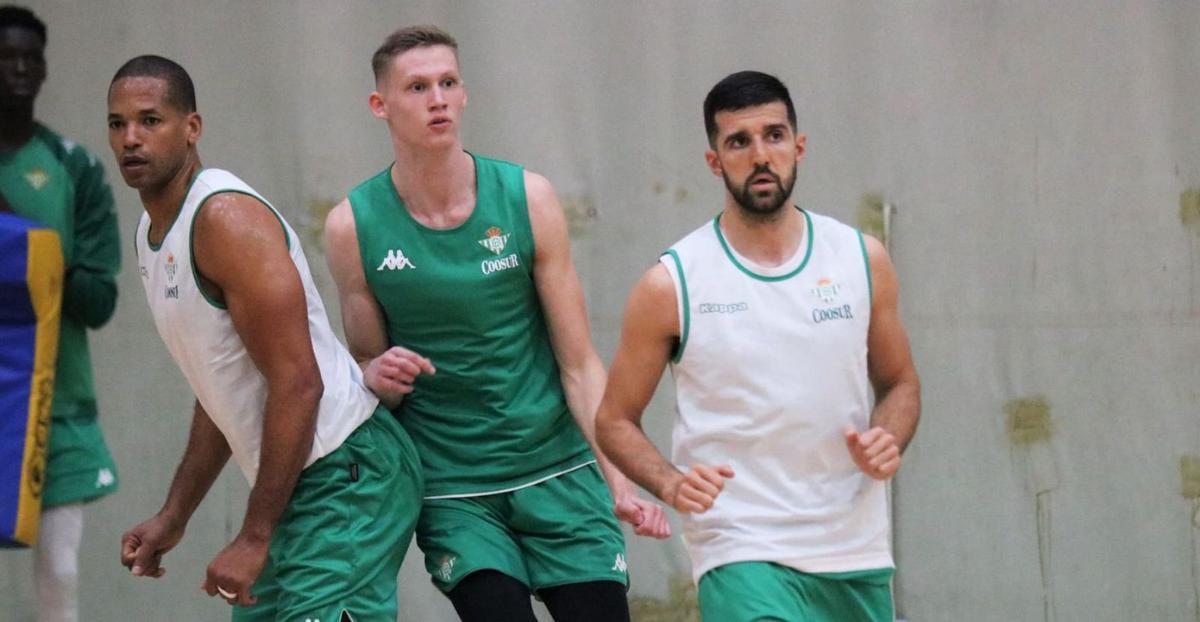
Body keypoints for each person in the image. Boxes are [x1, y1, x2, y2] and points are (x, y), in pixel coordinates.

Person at [323, 25, 669, 622]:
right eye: (417, 87)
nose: (437, 99)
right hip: (455, 488)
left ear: (464, 94)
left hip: (559, 468)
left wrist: (619, 479)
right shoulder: (352, 227)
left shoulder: (528, 199)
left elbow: (579, 363)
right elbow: (369, 369)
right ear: (381, 105)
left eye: (448, 83)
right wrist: (375, 374)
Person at [595, 70, 922, 621]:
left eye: (774, 136)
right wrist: (671, 483)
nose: (760, 155)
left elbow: (901, 383)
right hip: (738, 545)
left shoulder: (861, 259)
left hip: (852, 547)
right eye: (738, 142)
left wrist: (888, 436)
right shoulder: (672, 284)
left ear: (799, 146)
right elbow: (614, 420)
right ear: (714, 161)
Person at [107, 55, 422, 622]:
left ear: (191, 128)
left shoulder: (225, 219)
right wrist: (175, 516)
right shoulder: (151, 232)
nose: (131, 138)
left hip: (344, 470)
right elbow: (220, 387)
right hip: (288, 484)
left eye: (150, 120)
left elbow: (300, 383)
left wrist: (254, 536)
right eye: (117, 123)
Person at [0, 6, 120, 621]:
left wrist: (27, 248)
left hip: (56, 398)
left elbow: (99, 301)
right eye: (6, 57)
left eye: (31, 57)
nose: (20, 69)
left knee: (60, 570)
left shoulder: (73, 167)